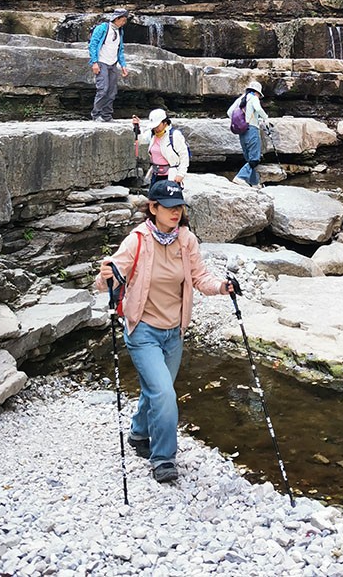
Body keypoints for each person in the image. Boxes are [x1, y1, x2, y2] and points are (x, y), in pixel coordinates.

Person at [95, 180, 235, 483]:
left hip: (174, 334)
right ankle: (163, 459)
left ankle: (138, 432)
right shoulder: (138, 240)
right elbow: (109, 278)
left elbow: (201, 277)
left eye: (179, 206)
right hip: (143, 331)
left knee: (155, 391)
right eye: (169, 207)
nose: (176, 212)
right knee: (164, 394)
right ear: (153, 208)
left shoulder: (186, 240)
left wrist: (223, 287)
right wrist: (107, 275)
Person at [132, 109, 190, 187]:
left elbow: (184, 155)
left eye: (157, 126)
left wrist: (181, 174)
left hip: (170, 176)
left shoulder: (174, 135)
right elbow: (141, 140)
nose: (155, 128)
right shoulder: (152, 134)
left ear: (165, 122)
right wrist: (137, 128)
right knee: (153, 198)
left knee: (168, 199)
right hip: (155, 175)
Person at [89, 9, 129, 122]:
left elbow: (120, 50)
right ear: (116, 19)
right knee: (103, 89)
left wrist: (123, 65)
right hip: (102, 62)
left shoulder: (120, 31)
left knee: (112, 91)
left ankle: (107, 115)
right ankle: (96, 115)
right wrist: (94, 62)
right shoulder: (102, 28)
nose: (124, 23)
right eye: (123, 20)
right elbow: (93, 45)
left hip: (113, 63)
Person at [227, 79, 269, 188]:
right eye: (259, 95)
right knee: (254, 159)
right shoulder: (254, 98)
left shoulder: (240, 99)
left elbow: (229, 112)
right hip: (252, 129)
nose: (259, 97)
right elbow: (258, 109)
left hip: (243, 131)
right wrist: (266, 118)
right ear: (257, 92)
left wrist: (241, 122)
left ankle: (254, 183)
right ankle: (240, 177)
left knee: (249, 158)